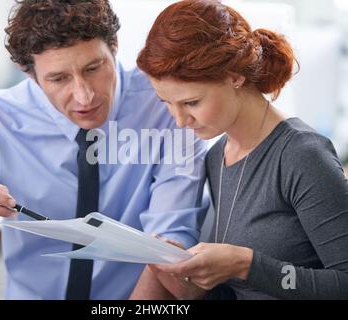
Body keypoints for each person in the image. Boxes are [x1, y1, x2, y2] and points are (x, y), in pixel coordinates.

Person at [0, 0, 207, 300]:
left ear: (114, 46)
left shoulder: (166, 106)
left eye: (94, 68)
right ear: (29, 73)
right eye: (59, 78)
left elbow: (170, 250)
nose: (84, 95)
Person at [130, 0, 348, 299]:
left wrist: (246, 265)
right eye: (167, 103)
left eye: (191, 102)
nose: (179, 121)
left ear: (235, 76)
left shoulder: (302, 155)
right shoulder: (216, 157)